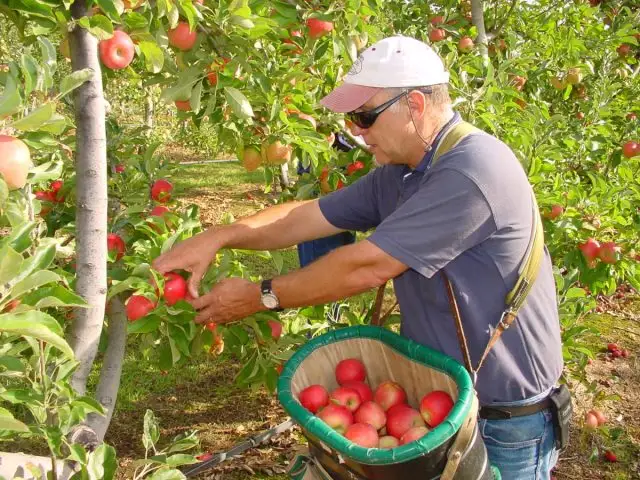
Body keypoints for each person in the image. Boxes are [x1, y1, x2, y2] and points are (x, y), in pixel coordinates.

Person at [153, 35, 565, 479]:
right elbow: (310, 216)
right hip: (438, 405)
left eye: (364, 117)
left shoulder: (472, 171)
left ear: (416, 106)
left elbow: (367, 265)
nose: (354, 131)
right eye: (352, 118)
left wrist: (263, 296)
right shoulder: (401, 174)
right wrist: (220, 235)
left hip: (505, 420)